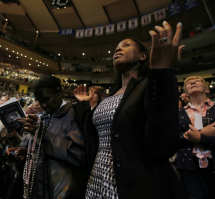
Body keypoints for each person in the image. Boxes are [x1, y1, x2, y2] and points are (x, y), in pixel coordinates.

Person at [74, 21, 186, 199]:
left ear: (143, 56)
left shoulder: (149, 86)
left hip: (131, 184)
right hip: (97, 179)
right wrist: (85, 105)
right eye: (116, 48)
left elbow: (163, 142)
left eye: (126, 45)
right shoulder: (110, 96)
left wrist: (162, 73)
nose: (118, 50)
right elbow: (90, 136)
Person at [18, 76, 87, 199]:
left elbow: (78, 155)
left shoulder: (74, 115)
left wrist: (43, 134)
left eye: (47, 99)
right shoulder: (44, 116)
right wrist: (26, 149)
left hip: (63, 190)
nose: (43, 105)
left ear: (60, 93)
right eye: (40, 101)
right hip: (41, 187)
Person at [174, 76, 215, 199]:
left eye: (197, 80)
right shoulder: (179, 114)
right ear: (185, 92)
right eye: (188, 83)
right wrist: (202, 133)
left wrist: (200, 137)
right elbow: (173, 139)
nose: (192, 82)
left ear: (207, 89)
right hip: (189, 169)